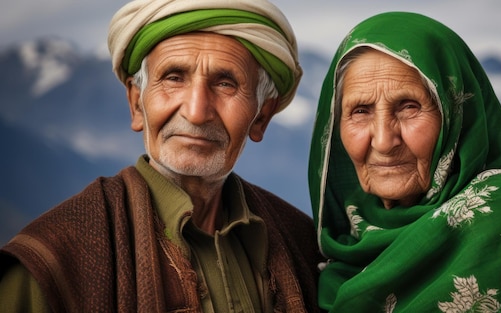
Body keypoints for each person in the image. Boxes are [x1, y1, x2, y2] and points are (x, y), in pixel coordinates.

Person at [0, 0, 323, 312]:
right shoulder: (51, 260)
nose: (196, 112)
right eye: (173, 78)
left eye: (225, 84)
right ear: (136, 102)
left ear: (262, 116)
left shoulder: (301, 243)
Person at [308, 11, 501, 312]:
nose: (383, 140)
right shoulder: (338, 253)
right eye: (360, 111)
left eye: (408, 107)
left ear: (456, 115)